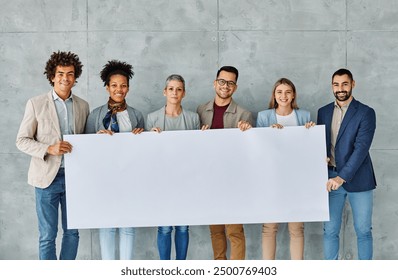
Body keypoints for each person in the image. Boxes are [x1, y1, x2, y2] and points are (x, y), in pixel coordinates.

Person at [16, 51, 89, 260]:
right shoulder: (36, 103)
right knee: (48, 235)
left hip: (75, 178)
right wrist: (49, 149)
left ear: (75, 77)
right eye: (60, 73)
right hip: (46, 178)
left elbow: (86, 140)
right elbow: (22, 140)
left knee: (73, 232)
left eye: (70, 74)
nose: (65, 78)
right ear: (52, 76)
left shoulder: (83, 106)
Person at [85, 60, 144, 260]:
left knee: (128, 226)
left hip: (130, 177)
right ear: (107, 87)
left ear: (128, 88)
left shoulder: (136, 115)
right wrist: (97, 140)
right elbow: (86, 149)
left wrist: (140, 135)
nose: (119, 89)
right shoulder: (95, 115)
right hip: (105, 178)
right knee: (107, 225)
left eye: (123, 85)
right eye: (114, 85)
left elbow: (144, 150)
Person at [317, 68, 376, 260]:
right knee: (330, 231)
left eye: (344, 84)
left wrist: (342, 177)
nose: (340, 88)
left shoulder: (366, 112)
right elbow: (322, 144)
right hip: (330, 179)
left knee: (364, 231)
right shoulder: (323, 112)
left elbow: (361, 149)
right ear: (332, 86)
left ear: (353, 84)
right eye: (336, 84)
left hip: (358, 179)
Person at [197, 66, 252, 260]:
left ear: (235, 87)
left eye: (230, 83)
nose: (225, 86)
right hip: (210, 178)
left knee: (234, 231)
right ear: (215, 83)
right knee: (216, 230)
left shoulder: (244, 114)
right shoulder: (201, 110)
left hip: (233, 181)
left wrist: (247, 131)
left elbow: (248, 151)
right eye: (222, 81)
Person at [256, 78, 315, 260]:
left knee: (296, 228)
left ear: (293, 95)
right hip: (271, 179)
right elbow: (257, 148)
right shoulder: (264, 117)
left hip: (296, 180)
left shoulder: (304, 116)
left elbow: (309, 148)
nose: (284, 96)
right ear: (274, 95)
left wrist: (310, 132)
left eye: (288, 92)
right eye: (279, 92)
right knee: (269, 227)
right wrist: (269, 134)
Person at [146, 74, 200, 260]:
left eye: (178, 89)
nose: (174, 92)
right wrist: (150, 137)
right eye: (171, 89)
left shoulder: (193, 119)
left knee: (183, 226)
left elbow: (196, 151)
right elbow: (148, 155)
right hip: (161, 181)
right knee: (165, 227)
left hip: (186, 179)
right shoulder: (152, 118)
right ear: (164, 91)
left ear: (184, 93)